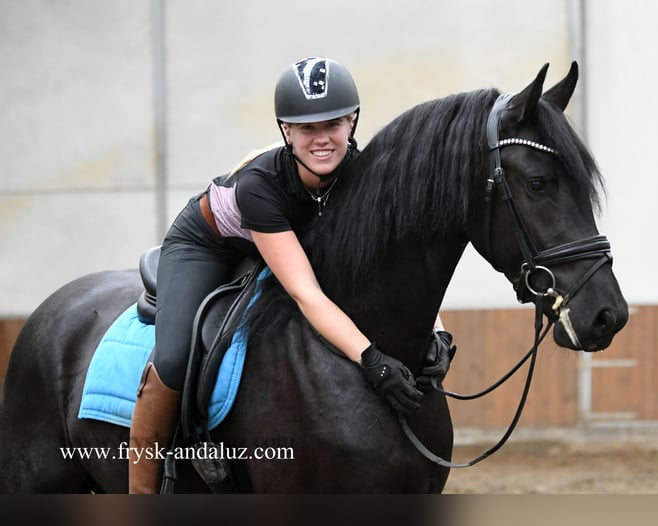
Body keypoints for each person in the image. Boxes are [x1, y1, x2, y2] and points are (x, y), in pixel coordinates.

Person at [128, 57, 455, 494]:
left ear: (353, 121)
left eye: (333, 124)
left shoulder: (365, 177)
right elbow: (307, 294)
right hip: (208, 244)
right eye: (306, 129)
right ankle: (143, 492)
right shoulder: (259, 185)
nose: (321, 139)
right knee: (172, 356)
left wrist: (438, 331)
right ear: (286, 131)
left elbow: (396, 272)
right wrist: (372, 360)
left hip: (289, 243)